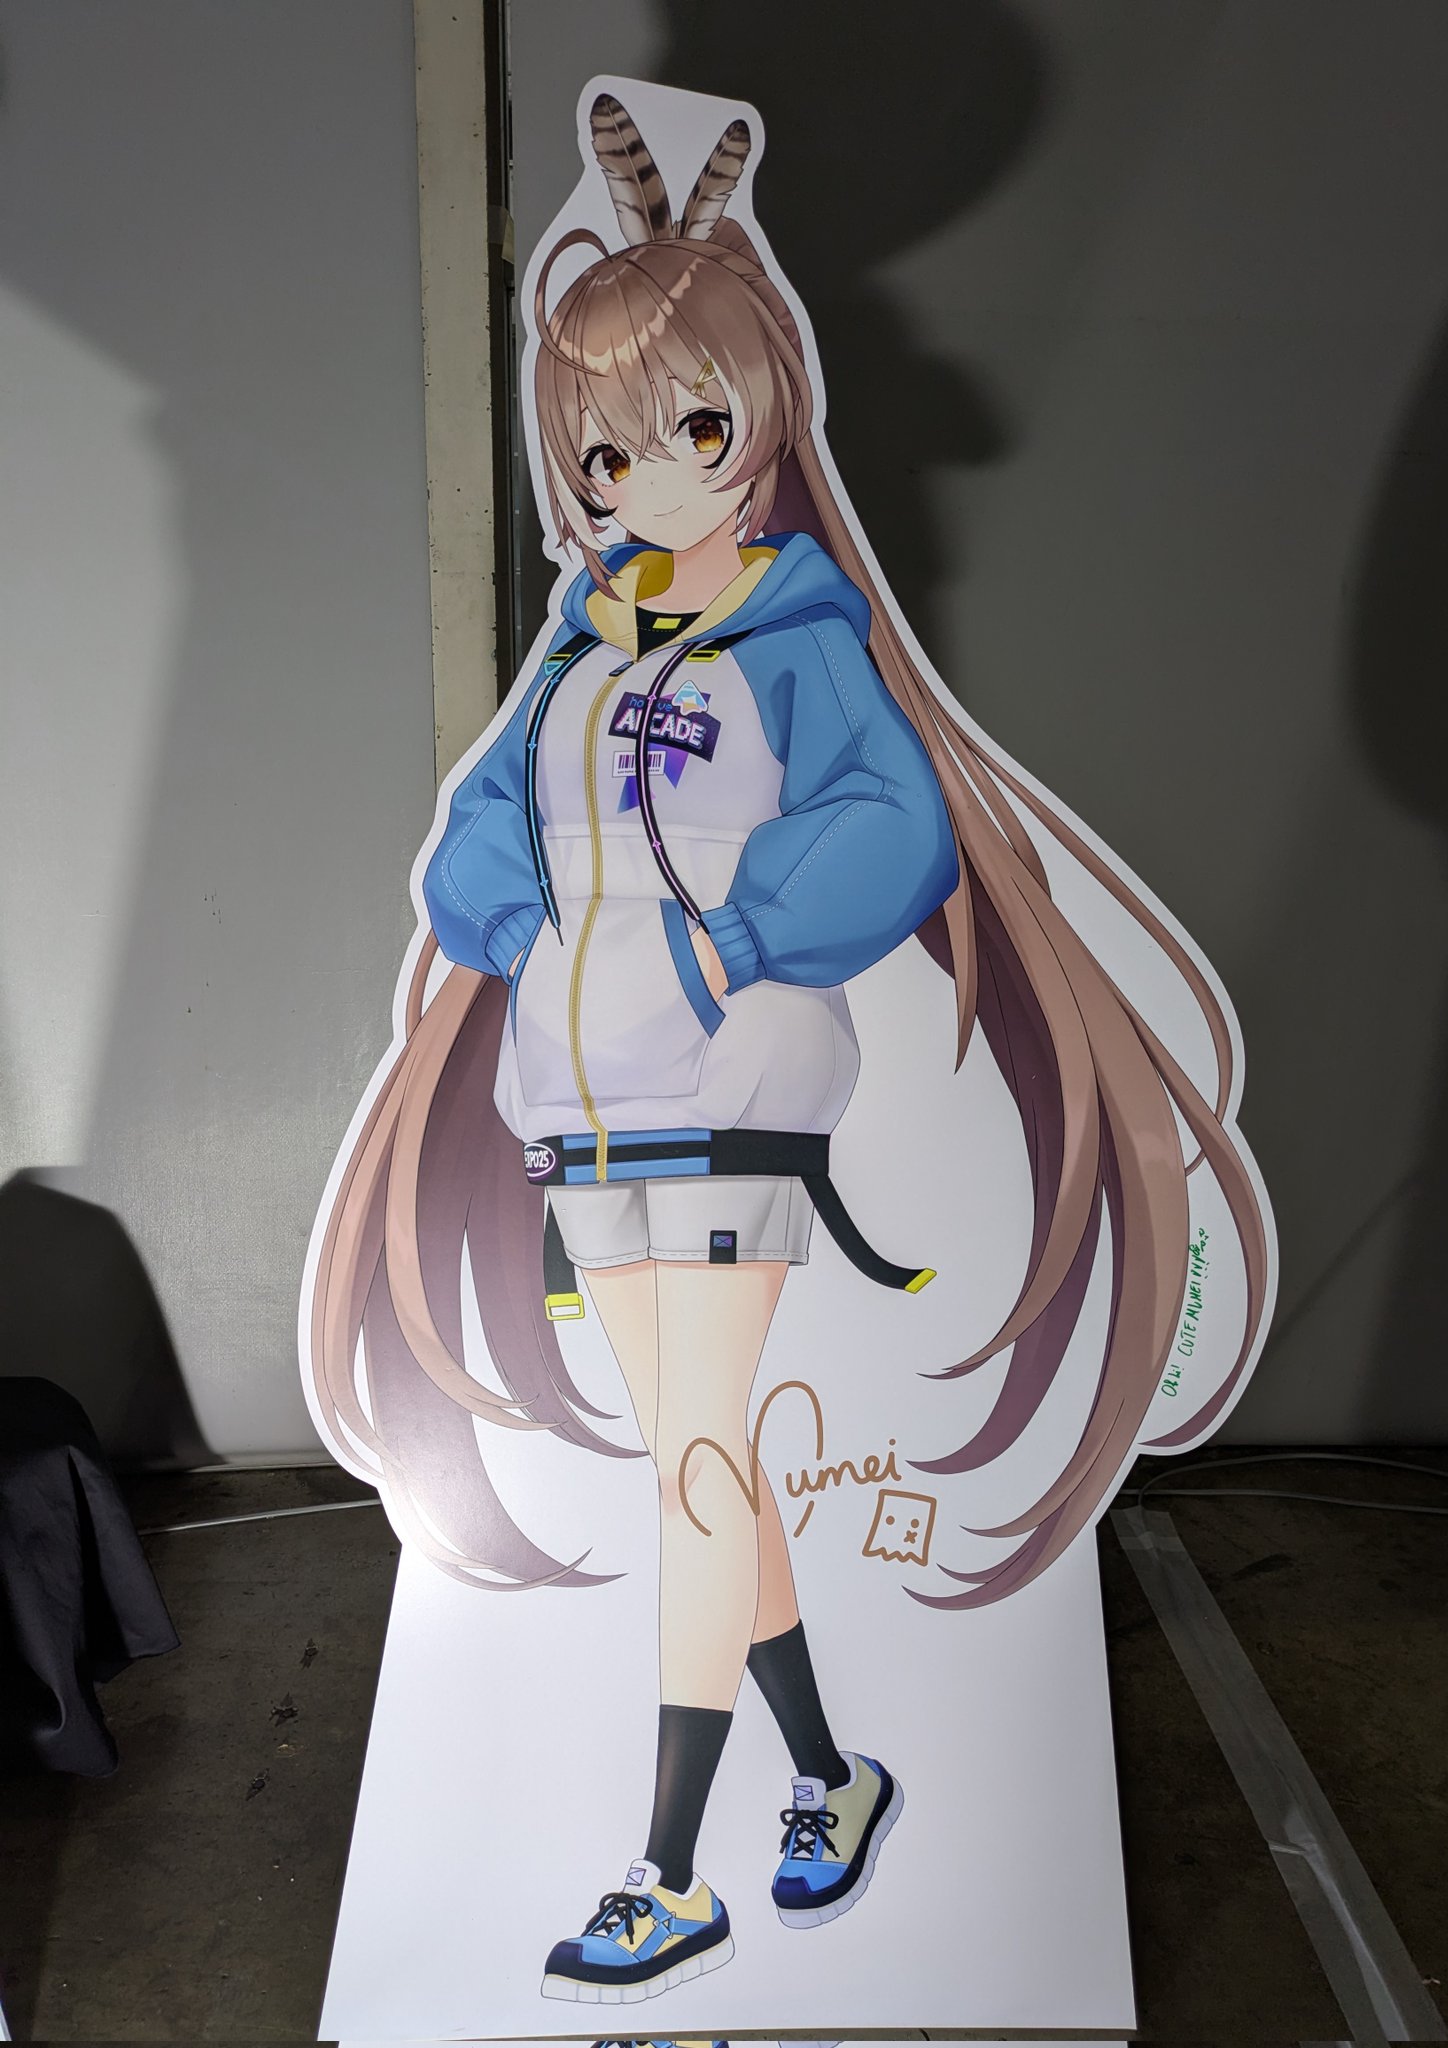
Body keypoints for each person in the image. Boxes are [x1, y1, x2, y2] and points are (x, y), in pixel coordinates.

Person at [303, 89, 1270, 2006]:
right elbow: (487, 825)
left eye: (685, 429)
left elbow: (890, 828)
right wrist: (524, 929)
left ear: (750, 420)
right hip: (576, 1096)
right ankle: (833, 1776)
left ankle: (668, 1871)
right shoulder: (584, 643)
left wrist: (720, 945)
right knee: (709, 1461)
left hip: (731, 1092)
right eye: (602, 446)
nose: (642, 475)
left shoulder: (797, 635)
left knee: (692, 1461)